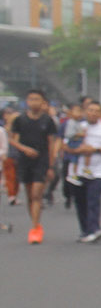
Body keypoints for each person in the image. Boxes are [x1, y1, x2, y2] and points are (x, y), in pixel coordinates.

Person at [8, 89, 59, 244]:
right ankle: (35, 223)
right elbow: (13, 140)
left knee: (37, 194)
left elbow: (51, 143)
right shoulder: (20, 120)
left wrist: (51, 165)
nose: (33, 102)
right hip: (24, 160)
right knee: (30, 195)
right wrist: (25, 149)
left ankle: (35, 228)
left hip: (41, 160)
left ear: (43, 102)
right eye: (31, 99)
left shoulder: (47, 120)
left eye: (37, 99)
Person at [70, 98, 101, 242]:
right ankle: (85, 230)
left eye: (96, 111)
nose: (93, 114)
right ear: (85, 112)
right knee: (80, 202)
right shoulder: (79, 127)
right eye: (90, 110)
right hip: (78, 170)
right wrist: (78, 149)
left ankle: (94, 229)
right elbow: (66, 144)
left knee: (93, 200)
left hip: (97, 171)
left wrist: (96, 149)